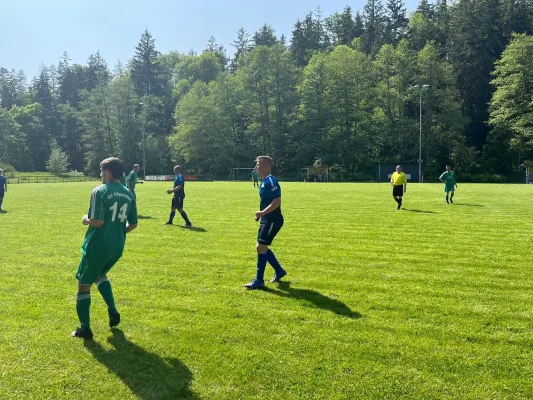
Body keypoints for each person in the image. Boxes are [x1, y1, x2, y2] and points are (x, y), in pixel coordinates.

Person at [72, 157, 138, 339]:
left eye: (101, 171)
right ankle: (112, 309)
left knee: (83, 286)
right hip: (116, 247)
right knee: (100, 275)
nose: (100, 175)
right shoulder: (128, 193)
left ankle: (84, 330)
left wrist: (85, 219)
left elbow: (98, 221)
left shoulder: (99, 191)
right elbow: (133, 224)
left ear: (108, 172)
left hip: (96, 247)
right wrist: (117, 233)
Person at [245, 156, 286, 289]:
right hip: (267, 219)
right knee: (262, 247)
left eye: (258, 165)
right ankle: (279, 271)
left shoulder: (271, 181)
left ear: (266, 167)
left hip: (273, 220)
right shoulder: (264, 181)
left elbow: (277, 201)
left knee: (260, 247)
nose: (256, 167)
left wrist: (262, 213)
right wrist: (261, 215)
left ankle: (259, 280)